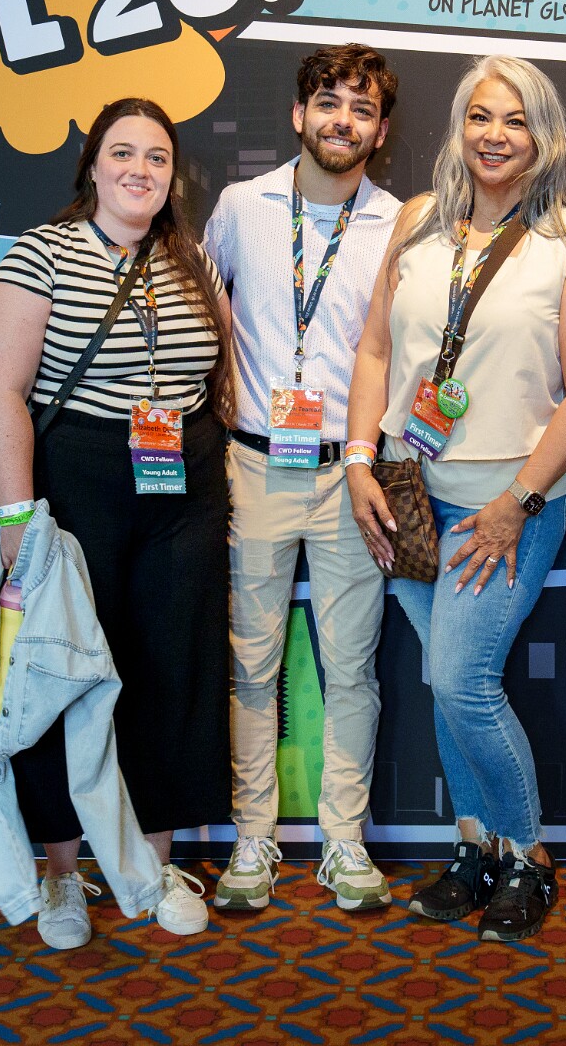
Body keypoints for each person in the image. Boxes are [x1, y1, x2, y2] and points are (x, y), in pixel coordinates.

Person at [344, 55, 566, 942]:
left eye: (516, 120)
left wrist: (517, 503)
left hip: (510, 503)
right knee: (442, 677)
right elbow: (376, 349)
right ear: (459, 126)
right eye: (480, 117)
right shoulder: (419, 221)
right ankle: (475, 847)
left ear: (545, 137)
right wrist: (359, 460)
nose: (495, 136)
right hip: (407, 493)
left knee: (463, 680)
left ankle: (528, 853)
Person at [0, 97, 234, 946]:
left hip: (184, 483)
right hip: (78, 479)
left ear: (173, 175)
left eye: (156, 157)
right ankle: (61, 873)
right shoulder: (41, 254)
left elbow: (219, 376)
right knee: (64, 672)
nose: (139, 170)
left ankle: (154, 866)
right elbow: (3, 393)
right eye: (122, 153)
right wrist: (19, 516)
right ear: (92, 164)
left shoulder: (191, 260)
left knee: (173, 671)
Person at [202, 45, 403, 911]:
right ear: (298, 114)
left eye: (361, 108)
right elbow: (203, 303)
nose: (341, 120)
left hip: (350, 474)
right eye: (328, 101)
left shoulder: (399, 223)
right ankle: (253, 839)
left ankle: (343, 841)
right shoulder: (241, 207)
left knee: (351, 668)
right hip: (254, 466)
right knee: (252, 667)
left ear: (380, 132)